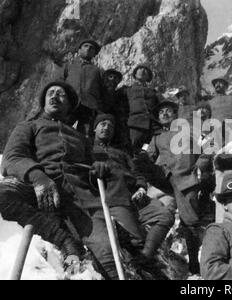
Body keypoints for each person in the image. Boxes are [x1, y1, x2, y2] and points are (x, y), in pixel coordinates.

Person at [0, 82, 120, 278]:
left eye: (60, 94)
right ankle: (64, 240)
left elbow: (99, 166)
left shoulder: (81, 138)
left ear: (70, 104)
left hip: (80, 196)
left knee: (106, 252)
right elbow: (12, 158)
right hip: (38, 186)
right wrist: (39, 177)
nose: (54, 97)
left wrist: (98, 168)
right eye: (50, 93)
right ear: (44, 101)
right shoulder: (29, 126)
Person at [91, 114, 175, 265]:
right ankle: (143, 263)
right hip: (115, 197)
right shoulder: (89, 150)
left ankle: (146, 255)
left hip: (135, 196)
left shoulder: (120, 153)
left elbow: (136, 172)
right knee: (135, 239)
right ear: (94, 128)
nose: (106, 128)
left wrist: (141, 187)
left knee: (165, 216)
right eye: (102, 124)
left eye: (110, 126)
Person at [135, 100, 204, 275]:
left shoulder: (189, 132)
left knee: (190, 223)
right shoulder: (157, 138)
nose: (165, 114)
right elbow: (147, 158)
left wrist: (200, 167)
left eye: (169, 111)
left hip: (187, 180)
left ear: (176, 115)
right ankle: (148, 253)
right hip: (166, 180)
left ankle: (195, 263)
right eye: (161, 112)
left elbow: (205, 150)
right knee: (156, 213)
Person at [57, 39, 103, 137]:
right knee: (60, 129)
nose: (88, 49)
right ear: (79, 50)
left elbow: (102, 89)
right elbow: (59, 82)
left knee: (86, 136)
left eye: (92, 48)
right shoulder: (69, 65)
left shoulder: (98, 71)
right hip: (70, 102)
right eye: (85, 46)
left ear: (94, 53)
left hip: (89, 106)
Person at [126, 64, 161, 154]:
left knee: (147, 149)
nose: (142, 70)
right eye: (140, 68)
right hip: (135, 125)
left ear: (148, 77)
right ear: (135, 73)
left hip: (152, 127)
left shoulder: (153, 92)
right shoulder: (127, 90)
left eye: (146, 70)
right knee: (133, 149)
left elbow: (162, 105)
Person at [100, 69, 131, 152]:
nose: (113, 79)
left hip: (117, 125)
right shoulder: (99, 91)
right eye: (110, 77)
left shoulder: (120, 94)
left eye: (116, 78)